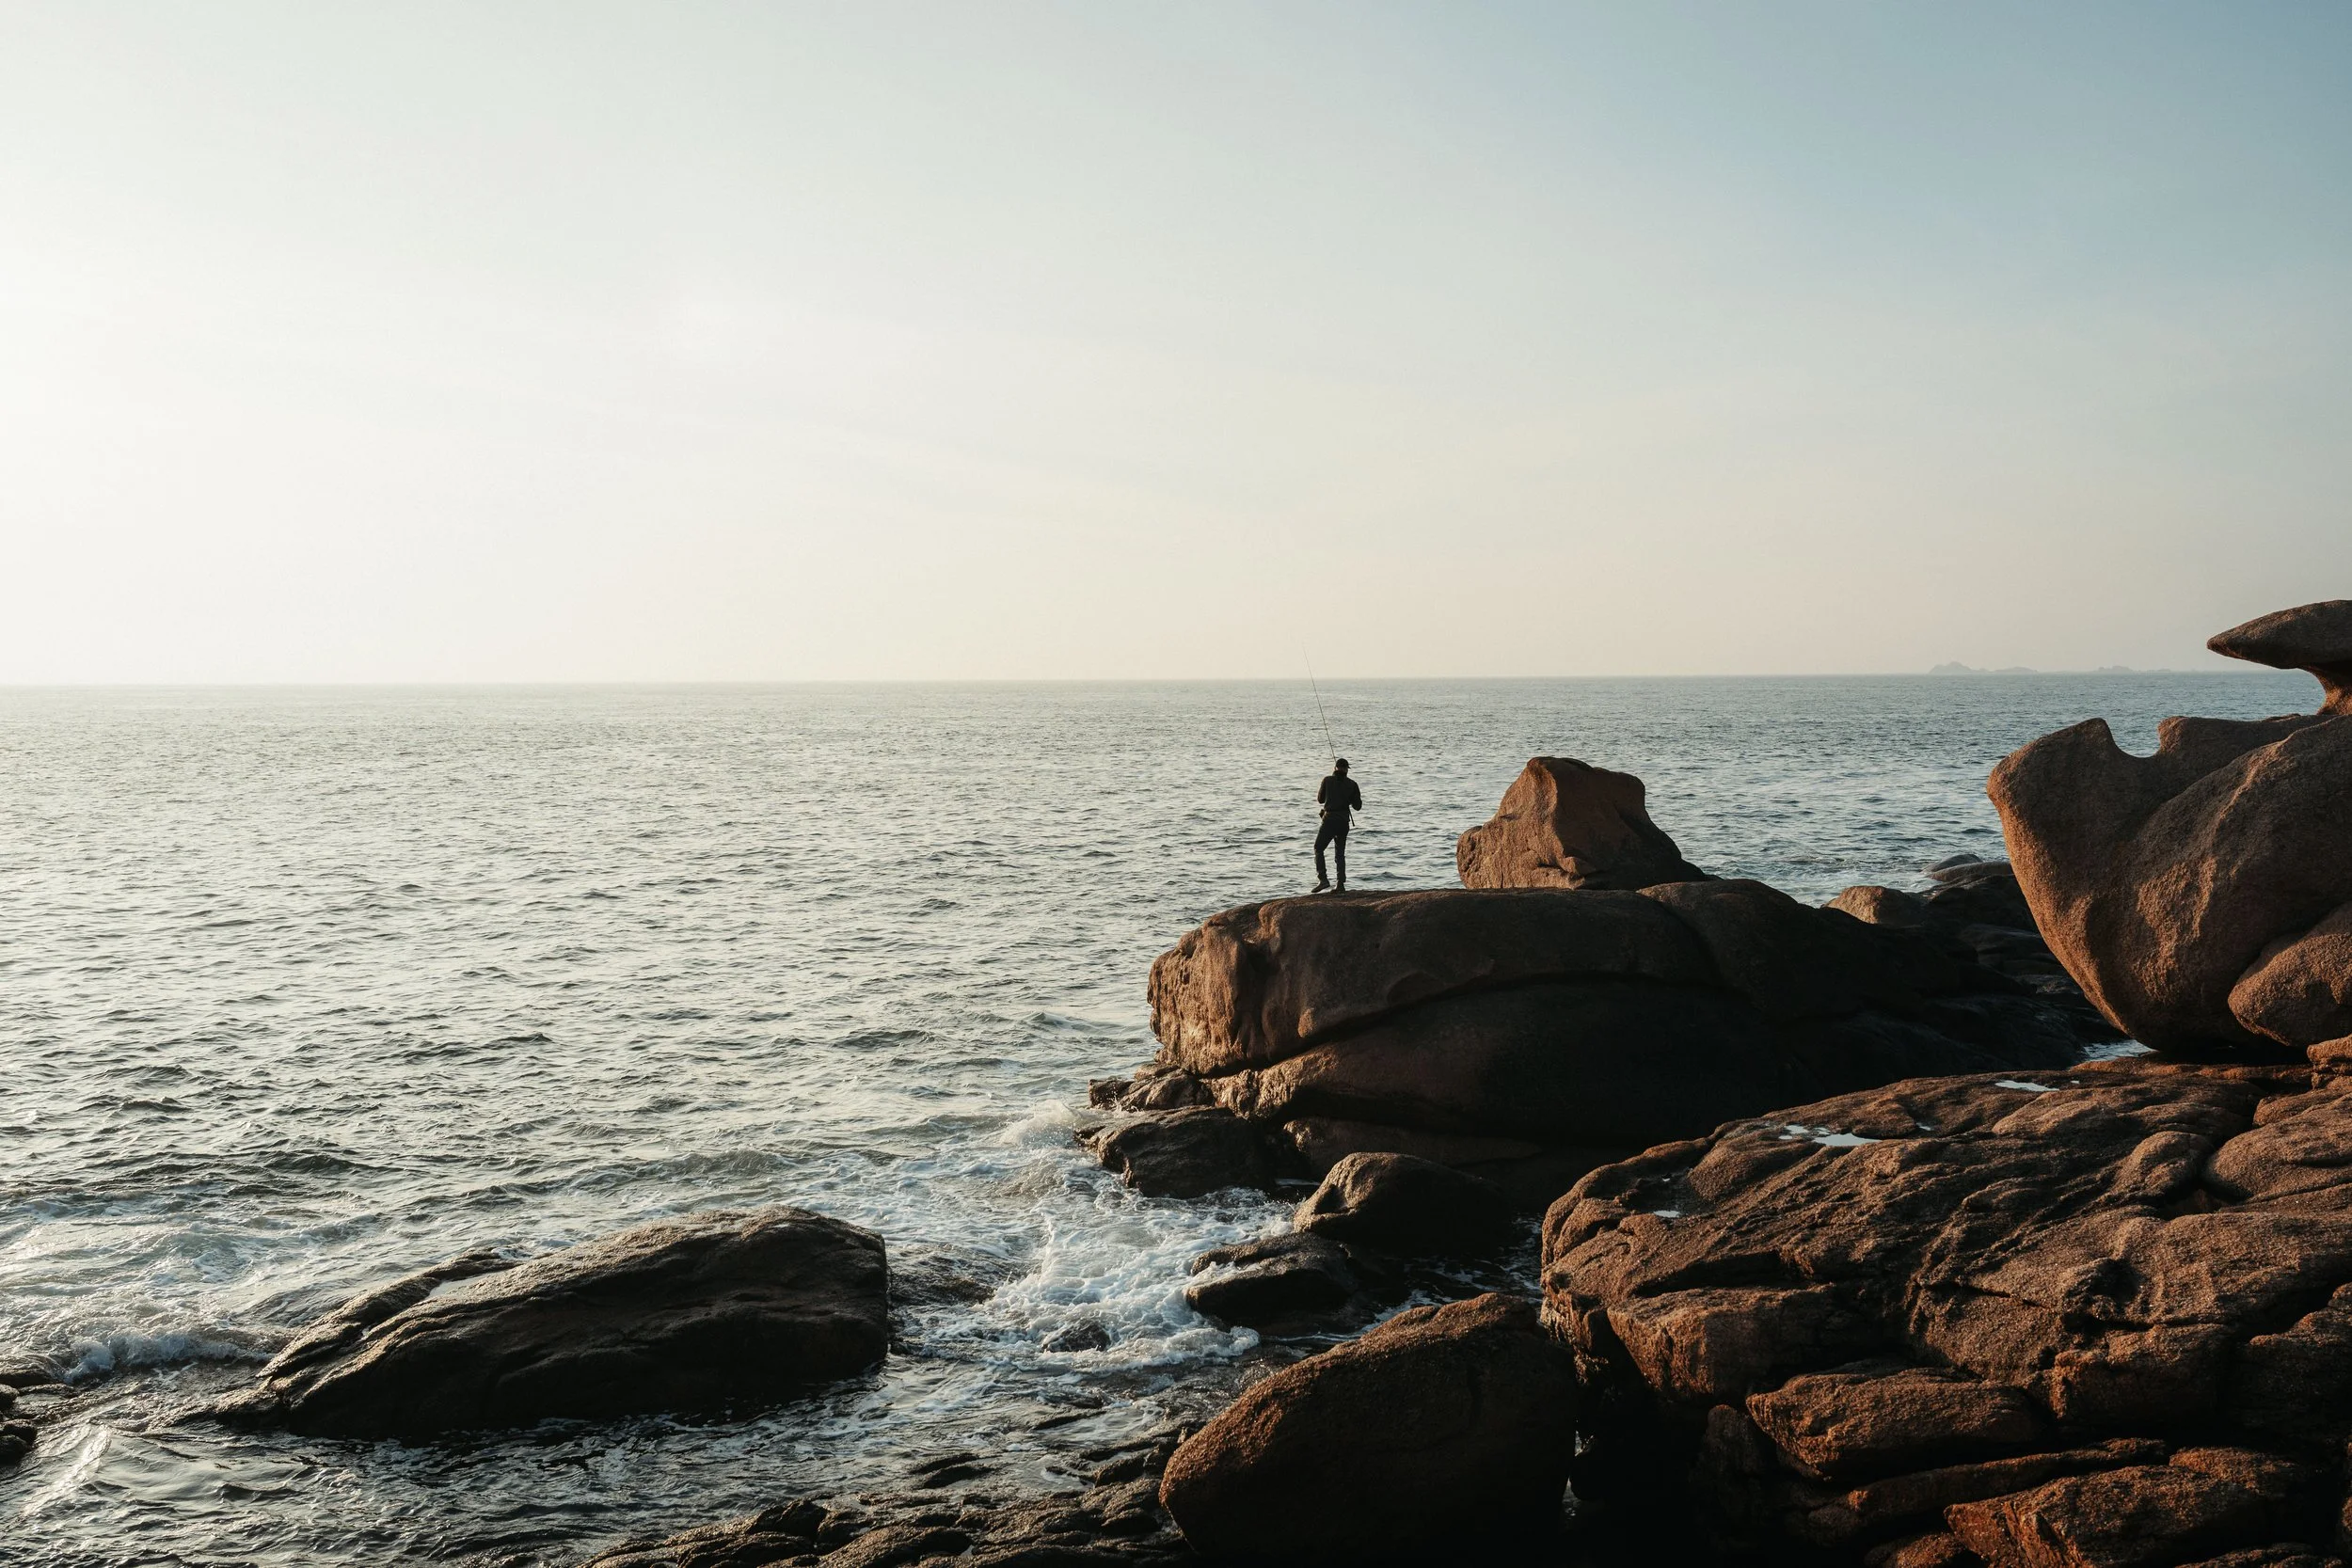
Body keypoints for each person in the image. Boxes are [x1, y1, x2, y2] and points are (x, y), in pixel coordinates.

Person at [1313, 759, 1360, 892]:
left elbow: (1320, 800)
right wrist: (1349, 798)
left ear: (1336, 768)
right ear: (1346, 769)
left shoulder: (1327, 780)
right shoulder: (1352, 784)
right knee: (1340, 853)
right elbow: (1358, 806)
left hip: (1329, 820)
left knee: (1318, 848)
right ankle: (1340, 884)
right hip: (1343, 822)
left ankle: (1323, 879)